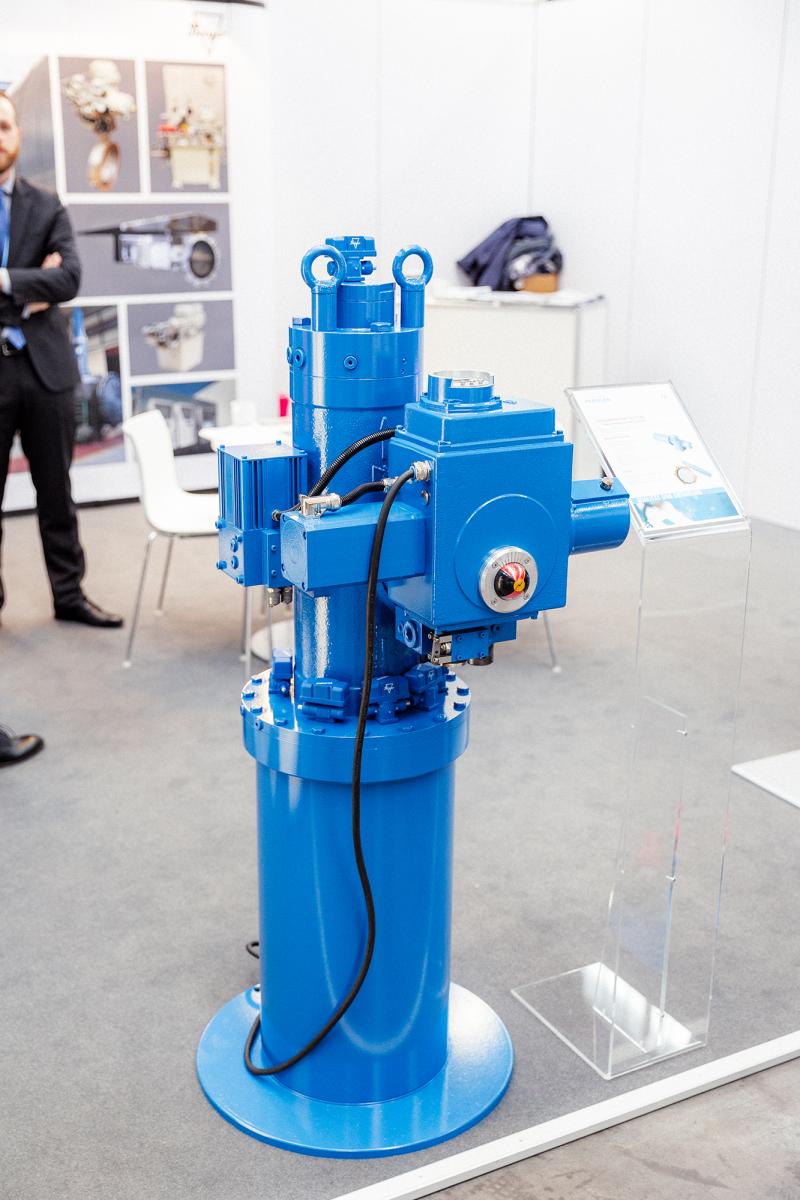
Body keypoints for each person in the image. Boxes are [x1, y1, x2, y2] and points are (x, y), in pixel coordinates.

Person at [0, 91, 122, 628]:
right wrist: (32, 287)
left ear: (18, 134)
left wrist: (5, 279)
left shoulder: (47, 205)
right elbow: (49, 282)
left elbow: (69, 278)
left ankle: (69, 596)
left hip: (45, 372)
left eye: (4, 126)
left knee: (57, 494)